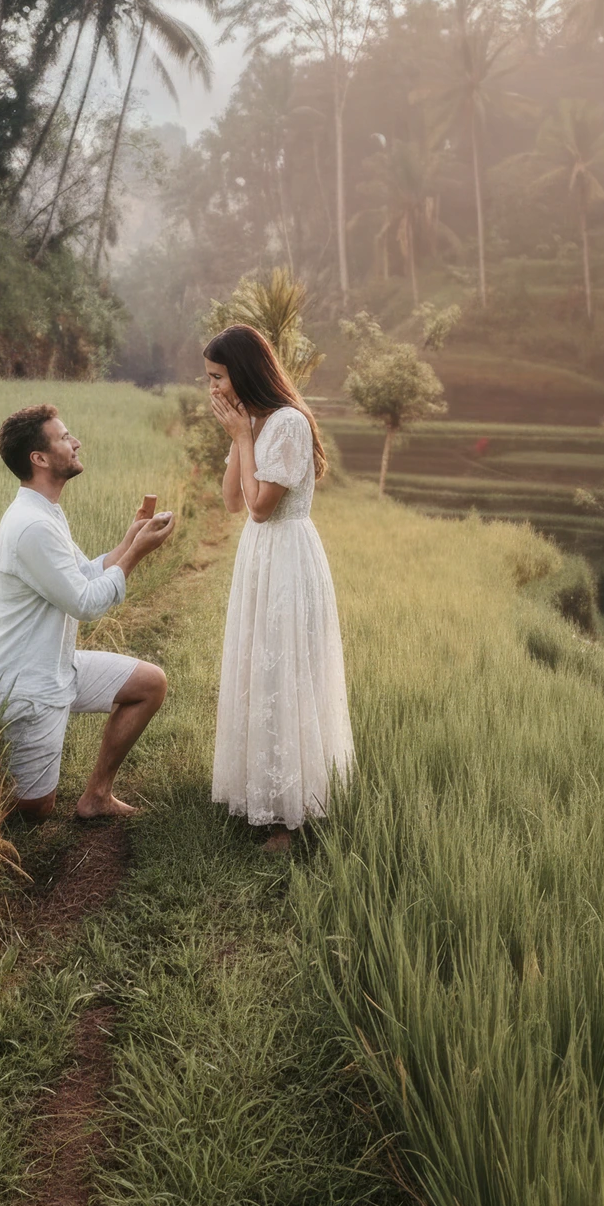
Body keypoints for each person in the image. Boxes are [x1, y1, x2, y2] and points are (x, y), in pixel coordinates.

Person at [0, 403, 175, 821]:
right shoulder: (31, 526)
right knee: (34, 812)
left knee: (150, 684)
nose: (76, 442)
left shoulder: (45, 513)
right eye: (64, 437)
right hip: (27, 684)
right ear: (40, 458)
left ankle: (97, 797)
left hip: (59, 665)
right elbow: (85, 603)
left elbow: (84, 576)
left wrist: (129, 540)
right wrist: (137, 555)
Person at [204, 325, 354, 854]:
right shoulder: (257, 423)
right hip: (259, 557)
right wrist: (238, 438)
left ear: (243, 372)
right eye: (209, 379)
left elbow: (261, 507)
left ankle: (288, 820)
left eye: (218, 377)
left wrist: (245, 439)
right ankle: (261, 790)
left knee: (286, 668)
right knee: (258, 665)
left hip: (287, 555)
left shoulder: (287, 423)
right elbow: (230, 501)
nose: (213, 389)